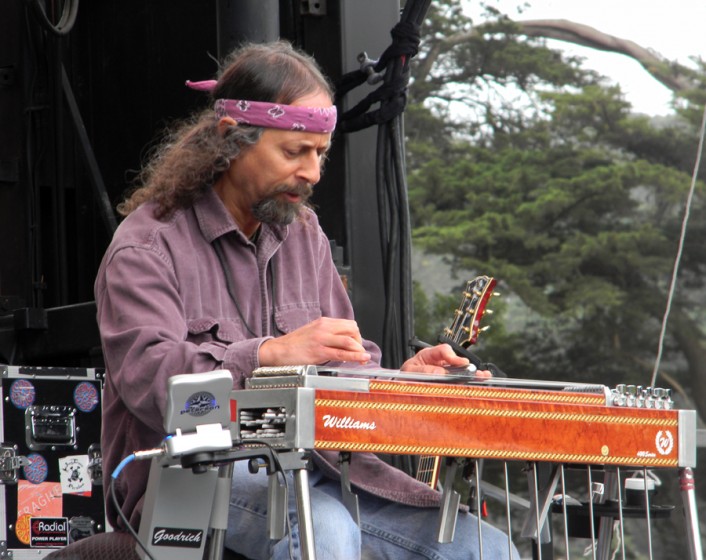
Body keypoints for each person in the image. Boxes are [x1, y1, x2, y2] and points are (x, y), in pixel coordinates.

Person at [95, 40, 519, 560]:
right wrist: (268, 355)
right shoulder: (147, 245)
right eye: (294, 152)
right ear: (231, 139)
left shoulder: (304, 232)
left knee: (480, 547)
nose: (313, 173)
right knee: (323, 527)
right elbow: (151, 382)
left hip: (320, 470)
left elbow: (345, 373)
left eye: (319, 154)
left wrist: (406, 382)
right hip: (189, 477)